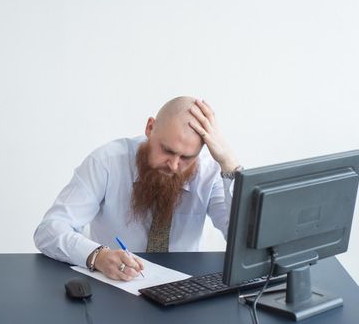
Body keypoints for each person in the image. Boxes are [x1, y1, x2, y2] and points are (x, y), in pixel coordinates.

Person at [34, 96, 241, 281]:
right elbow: (50, 229)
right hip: (115, 284)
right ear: (150, 128)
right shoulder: (106, 162)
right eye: (167, 150)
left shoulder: (210, 171)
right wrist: (98, 256)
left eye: (187, 157)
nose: (174, 165)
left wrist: (231, 167)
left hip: (183, 288)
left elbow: (241, 240)